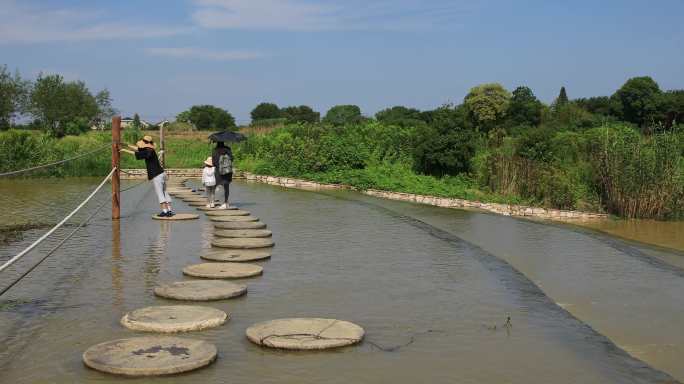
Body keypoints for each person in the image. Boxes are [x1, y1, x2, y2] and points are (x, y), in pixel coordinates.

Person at [121, 135, 174, 217]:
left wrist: (124, 150)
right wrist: (127, 145)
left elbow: (136, 153)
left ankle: (165, 211)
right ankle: (169, 211)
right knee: (165, 192)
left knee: (160, 193)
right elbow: (138, 149)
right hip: (162, 173)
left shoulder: (147, 152)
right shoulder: (150, 149)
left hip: (157, 175)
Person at [211, 141, 233, 209]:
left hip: (218, 171)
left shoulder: (215, 150)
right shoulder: (228, 149)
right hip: (227, 171)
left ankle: (212, 202)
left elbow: (213, 162)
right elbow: (232, 159)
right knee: (226, 187)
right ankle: (225, 203)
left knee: (214, 186)